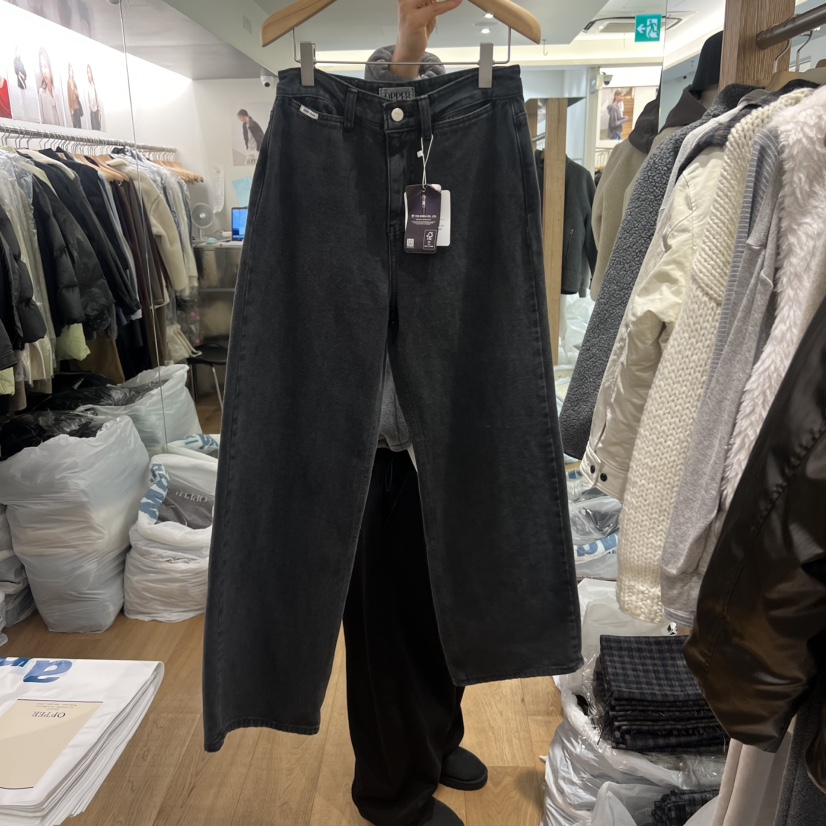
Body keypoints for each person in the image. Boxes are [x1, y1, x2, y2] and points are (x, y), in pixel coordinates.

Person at [342, 7, 488, 826]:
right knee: (382, 634)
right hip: (371, 451)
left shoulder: (459, 190)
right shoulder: (342, 191)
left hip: (446, 447)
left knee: (444, 612)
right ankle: (390, 792)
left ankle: (435, 740)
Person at [37, 47, 63, 126]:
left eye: (45, 66)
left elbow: (61, 117)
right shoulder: (41, 92)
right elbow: (42, 119)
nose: (44, 71)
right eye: (41, 66)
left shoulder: (57, 91)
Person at [66, 63, 82, 128]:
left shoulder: (74, 82)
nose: (71, 73)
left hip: (77, 106)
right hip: (73, 107)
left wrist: (77, 93)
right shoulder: (68, 82)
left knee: (79, 124)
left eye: (72, 71)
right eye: (70, 71)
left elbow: (78, 96)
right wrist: (71, 108)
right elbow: (69, 96)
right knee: (75, 124)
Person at [87, 64, 102, 130]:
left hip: (97, 109)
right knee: (94, 128)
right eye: (88, 72)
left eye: (90, 72)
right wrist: (90, 109)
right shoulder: (87, 86)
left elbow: (97, 98)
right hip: (92, 111)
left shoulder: (94, 85)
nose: (89, 74)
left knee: (98, 127)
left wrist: (99, 110)